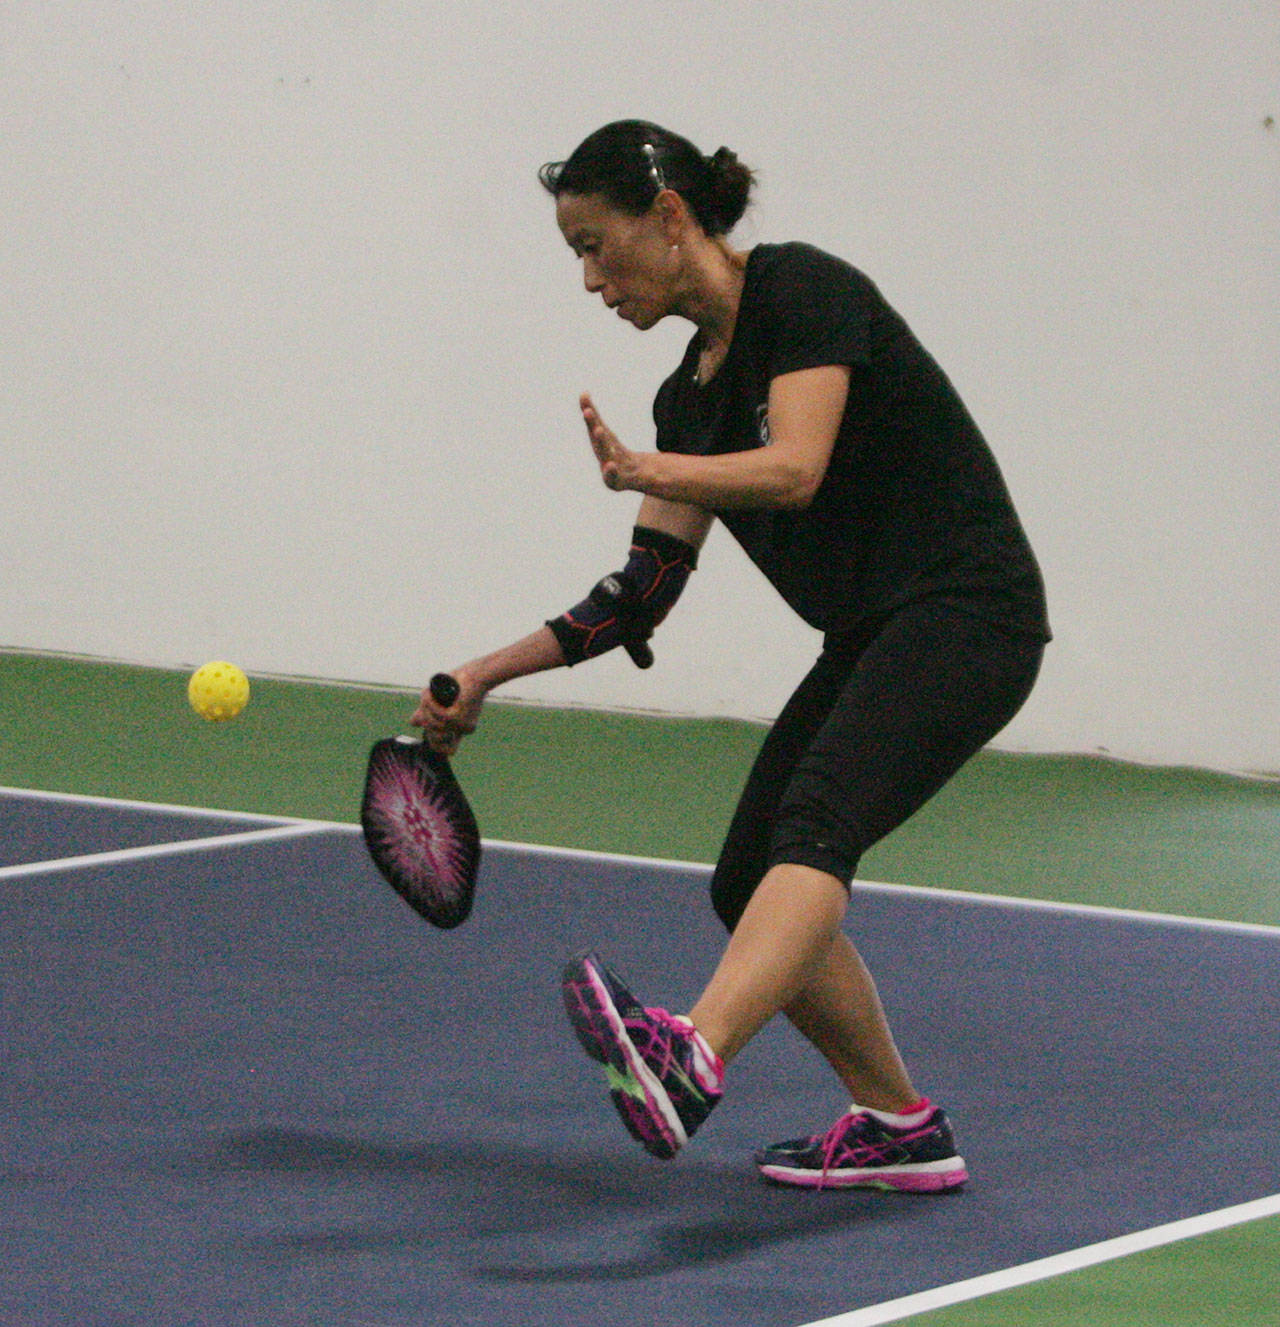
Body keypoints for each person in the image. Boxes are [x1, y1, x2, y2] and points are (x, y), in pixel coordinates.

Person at [411, 120, 1050, 1191]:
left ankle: (689, 1055)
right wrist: (484, 674)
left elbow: (795, 466)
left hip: (965, 613)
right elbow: (637, 594)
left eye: (592, 243)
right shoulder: (687, 401)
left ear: (667, 217)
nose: (586, 279)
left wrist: (652, 467)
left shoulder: (801, 292)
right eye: (572, 253)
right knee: (747, 873)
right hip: (873, 632)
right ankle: (897, 1123)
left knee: (814, 828)